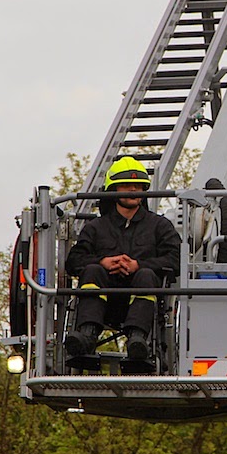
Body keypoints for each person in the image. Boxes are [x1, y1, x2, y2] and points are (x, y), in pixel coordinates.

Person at [64, 156, 181, 363]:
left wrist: (139, 265)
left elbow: (175, 259)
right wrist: (103, 262)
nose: (133, 190)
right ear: (113, 191)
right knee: (92, 270)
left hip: (144, 306)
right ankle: (87, 336)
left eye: (138, 185)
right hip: (104, 304)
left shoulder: (159, 226)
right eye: (126, 185)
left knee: (146, 274)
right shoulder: (96, 227)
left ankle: (137, 341)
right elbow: (74, 261)